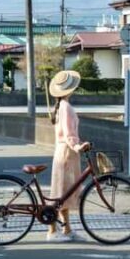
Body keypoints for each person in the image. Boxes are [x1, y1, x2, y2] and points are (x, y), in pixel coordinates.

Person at [46, 70, 90, 242]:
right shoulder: (66, 108)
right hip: (67, 152)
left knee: (63, 192)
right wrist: (78, 146)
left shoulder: (60, 106)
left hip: (61, 151)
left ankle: (67, 230)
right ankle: (52, 231)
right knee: (61, 192)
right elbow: (69, 133)